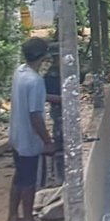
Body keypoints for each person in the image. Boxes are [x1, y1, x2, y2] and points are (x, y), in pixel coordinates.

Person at [6, 37, 54, 221]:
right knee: (29, 181)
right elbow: (35, 116)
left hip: (16, 136)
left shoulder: (20, 72)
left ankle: (12, 217)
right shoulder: (36, 81)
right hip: (29, 139)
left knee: (19, 176)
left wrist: (56, 98)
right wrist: (47, 141)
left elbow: (29, 98)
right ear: (43, 57)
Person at [42, 47, 64, 186]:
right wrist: (61, 99)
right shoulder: (51, 74)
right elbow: (45, 95)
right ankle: (58, 176)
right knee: (59, 138)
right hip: (57, 108)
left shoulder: (63, 71)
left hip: (62, 108)